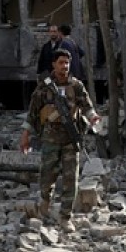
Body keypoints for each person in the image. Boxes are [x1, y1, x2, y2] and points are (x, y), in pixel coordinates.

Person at [20, 48, 100, 232]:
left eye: (67, 63)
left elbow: (87, 106)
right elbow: (33, 113)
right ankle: (44, 206)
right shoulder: (44, 87)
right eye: (61, 63)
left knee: (71, 179)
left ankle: (65, 217)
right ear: (54, 65)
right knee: (47, 175)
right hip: (50, 139)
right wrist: (26, 135)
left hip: (71, 140)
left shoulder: (76, 86)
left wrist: (94, 117)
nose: (64, 66)